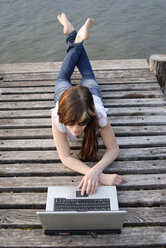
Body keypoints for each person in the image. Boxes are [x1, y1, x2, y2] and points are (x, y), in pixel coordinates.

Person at [51, 13, 127, 196]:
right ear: (64, 117)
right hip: (65, 97)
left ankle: (73, 36)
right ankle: (74, 36)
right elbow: (65, 157)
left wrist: (95, 171)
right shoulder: (58, 117)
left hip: (90, 95)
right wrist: (99, 176)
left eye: (82, 122)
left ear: (90, 116)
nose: (75, 129)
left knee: (82, 77)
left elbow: (114, 148)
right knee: (75, 77)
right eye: (70, 122)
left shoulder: (98, 115)